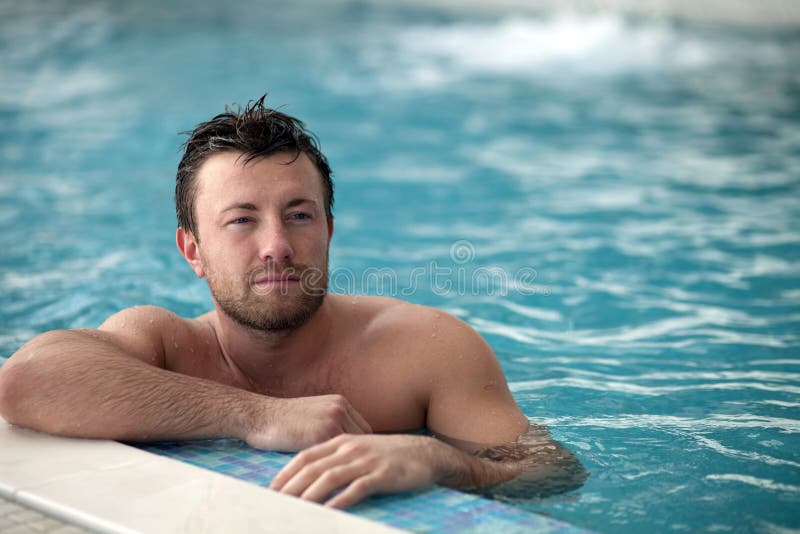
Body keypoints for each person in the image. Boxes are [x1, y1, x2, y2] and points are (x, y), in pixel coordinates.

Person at [0, 95, 586, 509]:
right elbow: (25, 381)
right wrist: (260, 416)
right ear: (193, 250)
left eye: (299, 215)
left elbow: (551, 473)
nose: (276, 247)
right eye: (241, 220)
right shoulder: (166, 344)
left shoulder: (425, 349)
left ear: (328, 230)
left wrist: (441, 462)